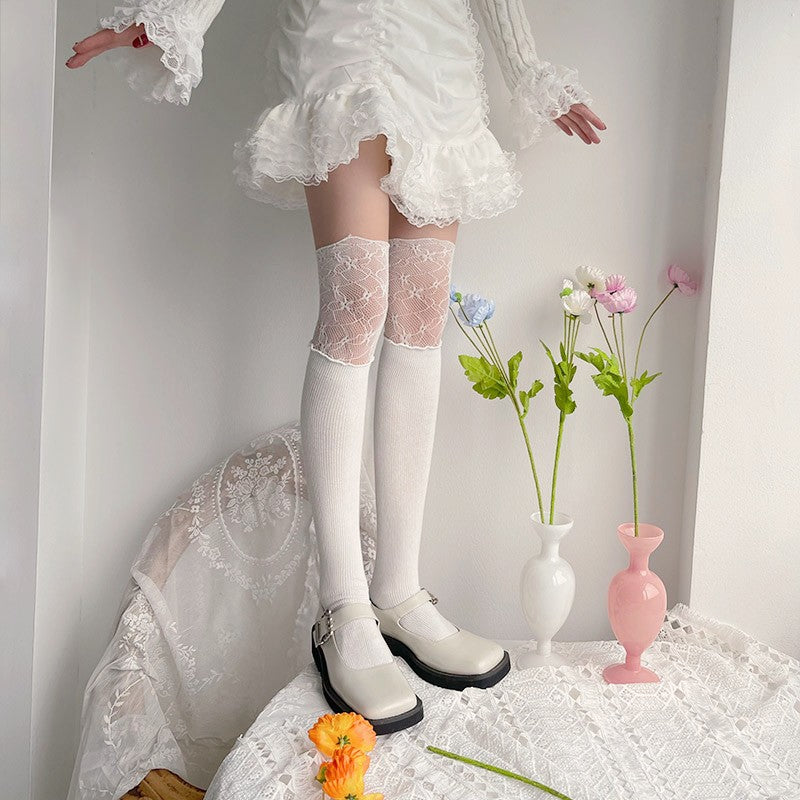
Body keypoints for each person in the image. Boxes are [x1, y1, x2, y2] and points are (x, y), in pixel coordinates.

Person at [67, 0, 605, 735]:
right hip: (343, 37)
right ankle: (343, 608)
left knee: (421, 315)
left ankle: (400, 591)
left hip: (436, 49)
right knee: (357, 307)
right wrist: (174, 18)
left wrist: (528, 69)